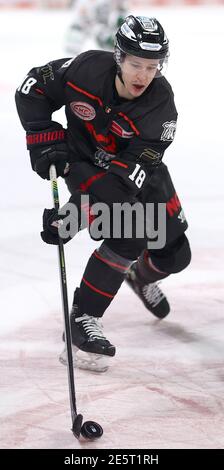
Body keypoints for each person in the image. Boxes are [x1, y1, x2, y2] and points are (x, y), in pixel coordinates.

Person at [15, 15, 191, 372]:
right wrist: (43, 138)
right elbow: (32, 88)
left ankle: (137, 276)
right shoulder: (84, 70)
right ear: (119, 57)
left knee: (176, 256)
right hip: (83, 165)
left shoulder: (161, 109)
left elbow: (122, 185)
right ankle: (83, 318)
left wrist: (74, 216)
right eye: (136, 64)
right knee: (130, 235)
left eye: (153, 66)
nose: (143, 75)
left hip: (138, 176)